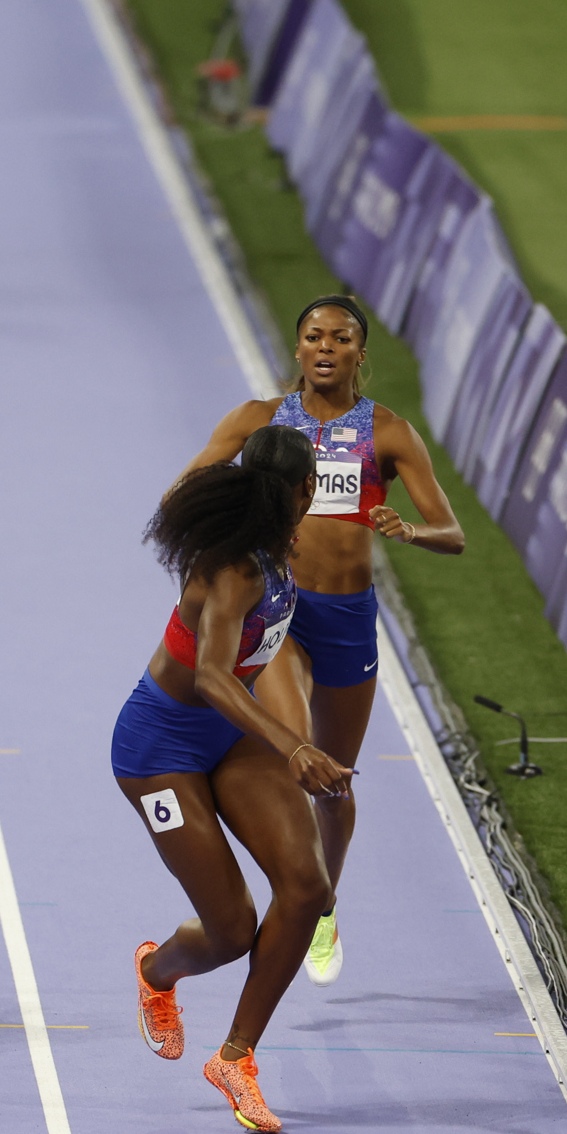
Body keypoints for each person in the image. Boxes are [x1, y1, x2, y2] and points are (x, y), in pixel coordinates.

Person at [178, 295, 462, 985]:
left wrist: (409, 532)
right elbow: (190, 483)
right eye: (313, 335)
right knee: (291, 743)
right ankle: (295, 884)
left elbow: (451, 531)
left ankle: (324, 900)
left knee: (333, 781)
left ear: (361, 353)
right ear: (298, 348)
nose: (325, 346)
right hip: (281, 609)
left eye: (340, 337)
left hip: (347, 617)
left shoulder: (389, 433)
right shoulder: (260, 421)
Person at [116, 425, 353, 1134]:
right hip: (158, 750)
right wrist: (295, 746)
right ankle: (158, 972)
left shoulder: (278, 549)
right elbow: (213, 674)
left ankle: (236, 1058)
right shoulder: (234, 567)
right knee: (231, 930)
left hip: (228, 736)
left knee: (308, 886)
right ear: (307, 490)